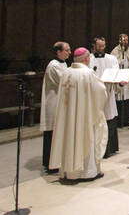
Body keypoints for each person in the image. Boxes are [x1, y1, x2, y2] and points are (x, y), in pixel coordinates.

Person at [49, 47, 108, 181]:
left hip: (68, 116)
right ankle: (87, 173)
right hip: (84, 116)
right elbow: (100, 92)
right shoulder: (87, 73)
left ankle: (69, 173)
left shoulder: (66, 72)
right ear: (86, 58)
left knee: (69, 139)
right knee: (86, 138)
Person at [40, 41, 71, 173]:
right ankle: (50, 163)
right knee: (52, 134)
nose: (69, 52)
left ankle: (57, 160)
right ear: (58, 52)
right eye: (67, 50)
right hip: (53, 104)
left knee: (58, 133)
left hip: (60, 102)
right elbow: (64, 81)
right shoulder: (53, 65)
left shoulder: (62, 63)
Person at [89, 37, 120, 158]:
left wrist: (120, 80)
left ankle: (109, 149)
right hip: (95, 95)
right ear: (94, 46)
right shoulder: (89, 59)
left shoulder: (111, 58)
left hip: (109, 92)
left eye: (103, 46)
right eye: (100, 46)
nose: (102, 48)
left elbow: (116, 72)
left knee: (109, 118)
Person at [111, 33, 129, 127]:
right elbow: (112, 64)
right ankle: (119, 120)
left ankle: (126, 119)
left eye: (127, 40)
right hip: (119, 79)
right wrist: (119, 63)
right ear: (120, 40)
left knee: (127, 98)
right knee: (120, 98)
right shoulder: (115, 51)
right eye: (124, 40)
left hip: (128, 79)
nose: (125, 42)